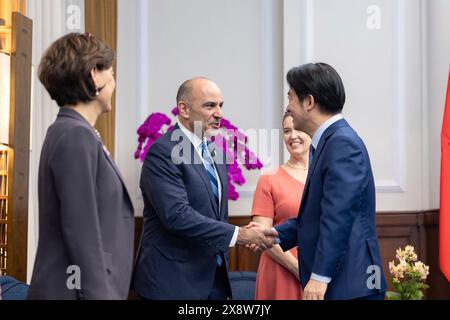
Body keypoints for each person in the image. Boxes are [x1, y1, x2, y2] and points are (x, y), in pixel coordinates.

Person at [132, 77, 278, 300]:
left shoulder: (216, 154)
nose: (219, 113)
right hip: (172, 285)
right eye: (210, 105)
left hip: (214, 282)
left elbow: (215, 216)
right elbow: (177, 216)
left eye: (221, 105)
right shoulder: (162, 152)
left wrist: (244, 234)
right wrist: (239, 234)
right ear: (184, 109)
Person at [27, 33, 135, 300]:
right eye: (110, 72)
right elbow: (81, 231)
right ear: (94, 75)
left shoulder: (72, 131)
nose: (114, 81)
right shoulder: (75, 134)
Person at [274, 62, 387, 300]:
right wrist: (272, 234)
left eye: (291, 98)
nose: (288, 107)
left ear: (309, 102)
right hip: (344, 284)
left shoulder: (341, 143)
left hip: (349, 284)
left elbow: (338, 216)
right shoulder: (328, 142)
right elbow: (316, 216)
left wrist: (319, 277)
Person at [251, 113, 309, 300]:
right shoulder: (269, 180)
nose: (292, 136)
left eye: (297, 128)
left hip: (319, 273)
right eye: (286, 131)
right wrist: (298, 269)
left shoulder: (328, 176)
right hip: (280, 270)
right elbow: (262, 235)